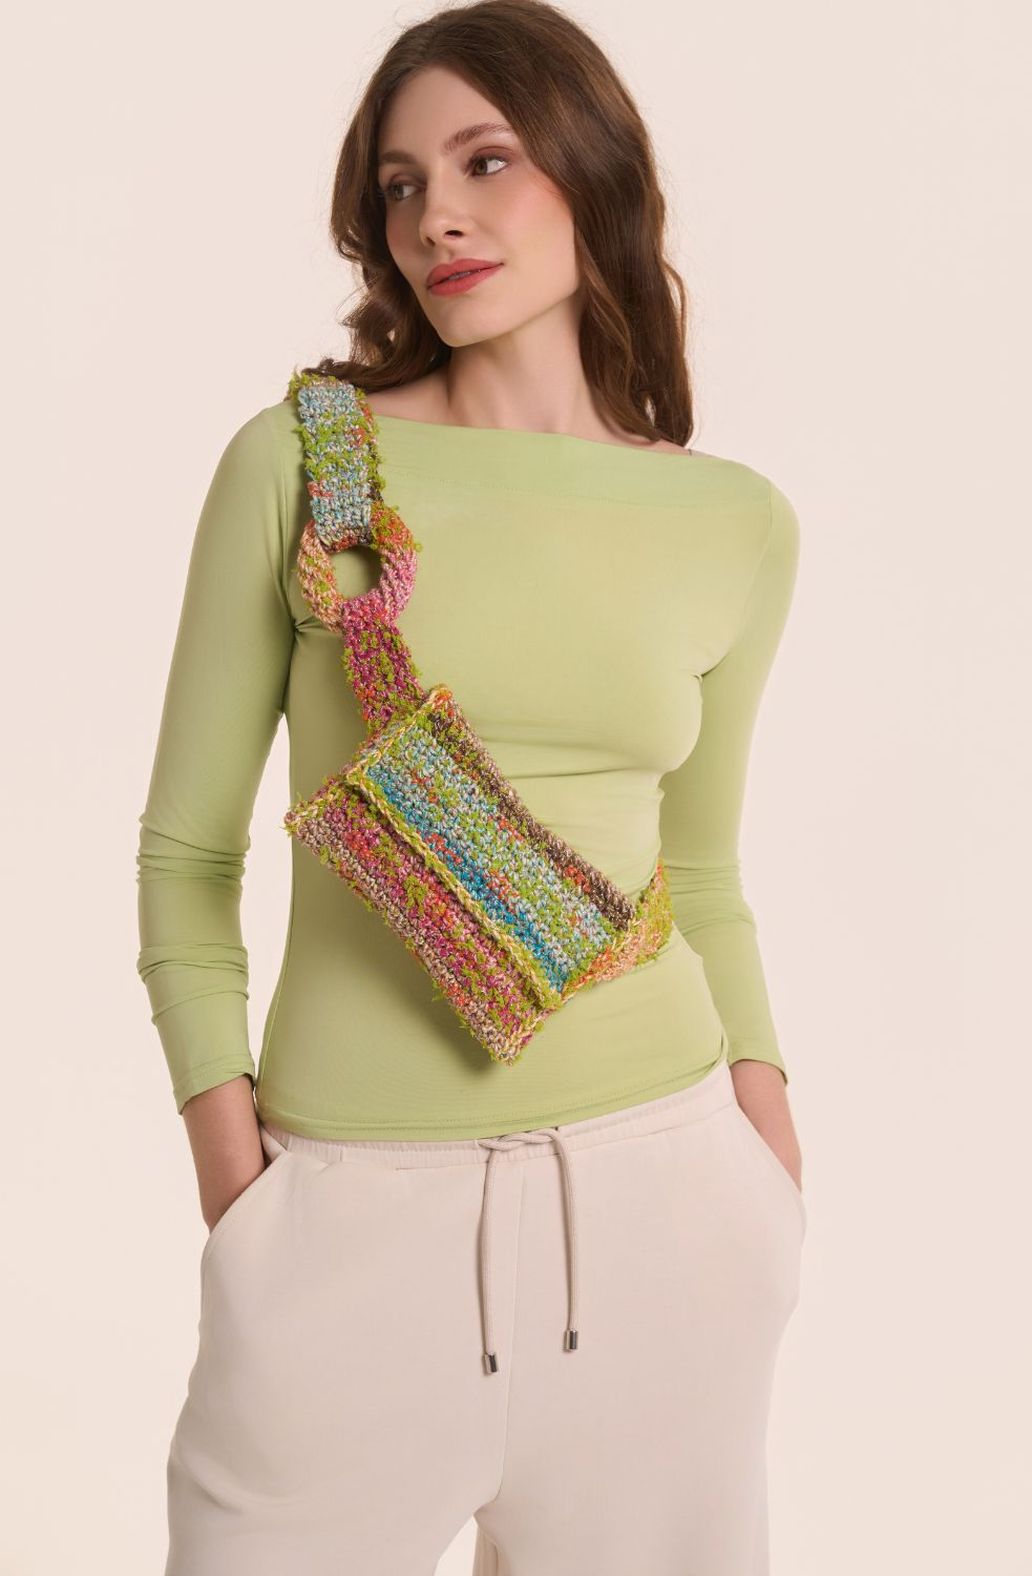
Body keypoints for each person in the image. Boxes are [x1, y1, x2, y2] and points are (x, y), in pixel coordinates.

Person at [135, 1, 807, 1570]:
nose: (437, 212)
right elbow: (185, 858)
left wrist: (765, 1156)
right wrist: (245, 1201)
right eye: (400, 184)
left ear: (595, 167)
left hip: (669, 1212)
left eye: (486, 160)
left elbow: (703, 873)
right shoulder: (307, 464)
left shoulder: (735, 523)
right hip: (343, 1233)